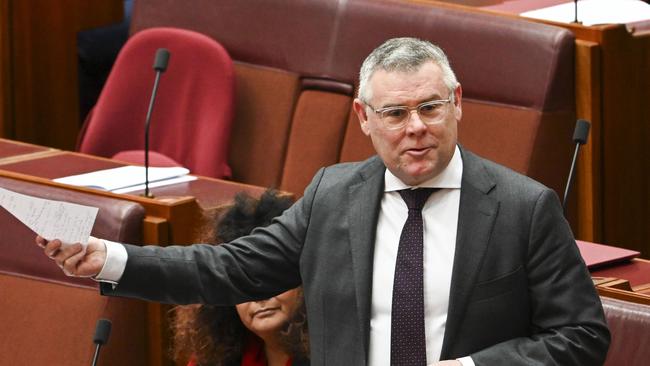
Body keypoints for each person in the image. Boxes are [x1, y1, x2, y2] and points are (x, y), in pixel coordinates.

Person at [38, 37, 610, 366]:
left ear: (457, 103)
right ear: (363, 117)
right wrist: (108, 258)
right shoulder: (333, 195)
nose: (416, 128)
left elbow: (582, 336)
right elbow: (229, 268)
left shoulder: (522, 207)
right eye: (394, 113)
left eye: (431, 108)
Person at [171, 190, 309, 366]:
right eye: (245, 280)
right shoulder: (218, 355)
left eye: (271, 278)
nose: (259, 297)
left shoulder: (336, 352)